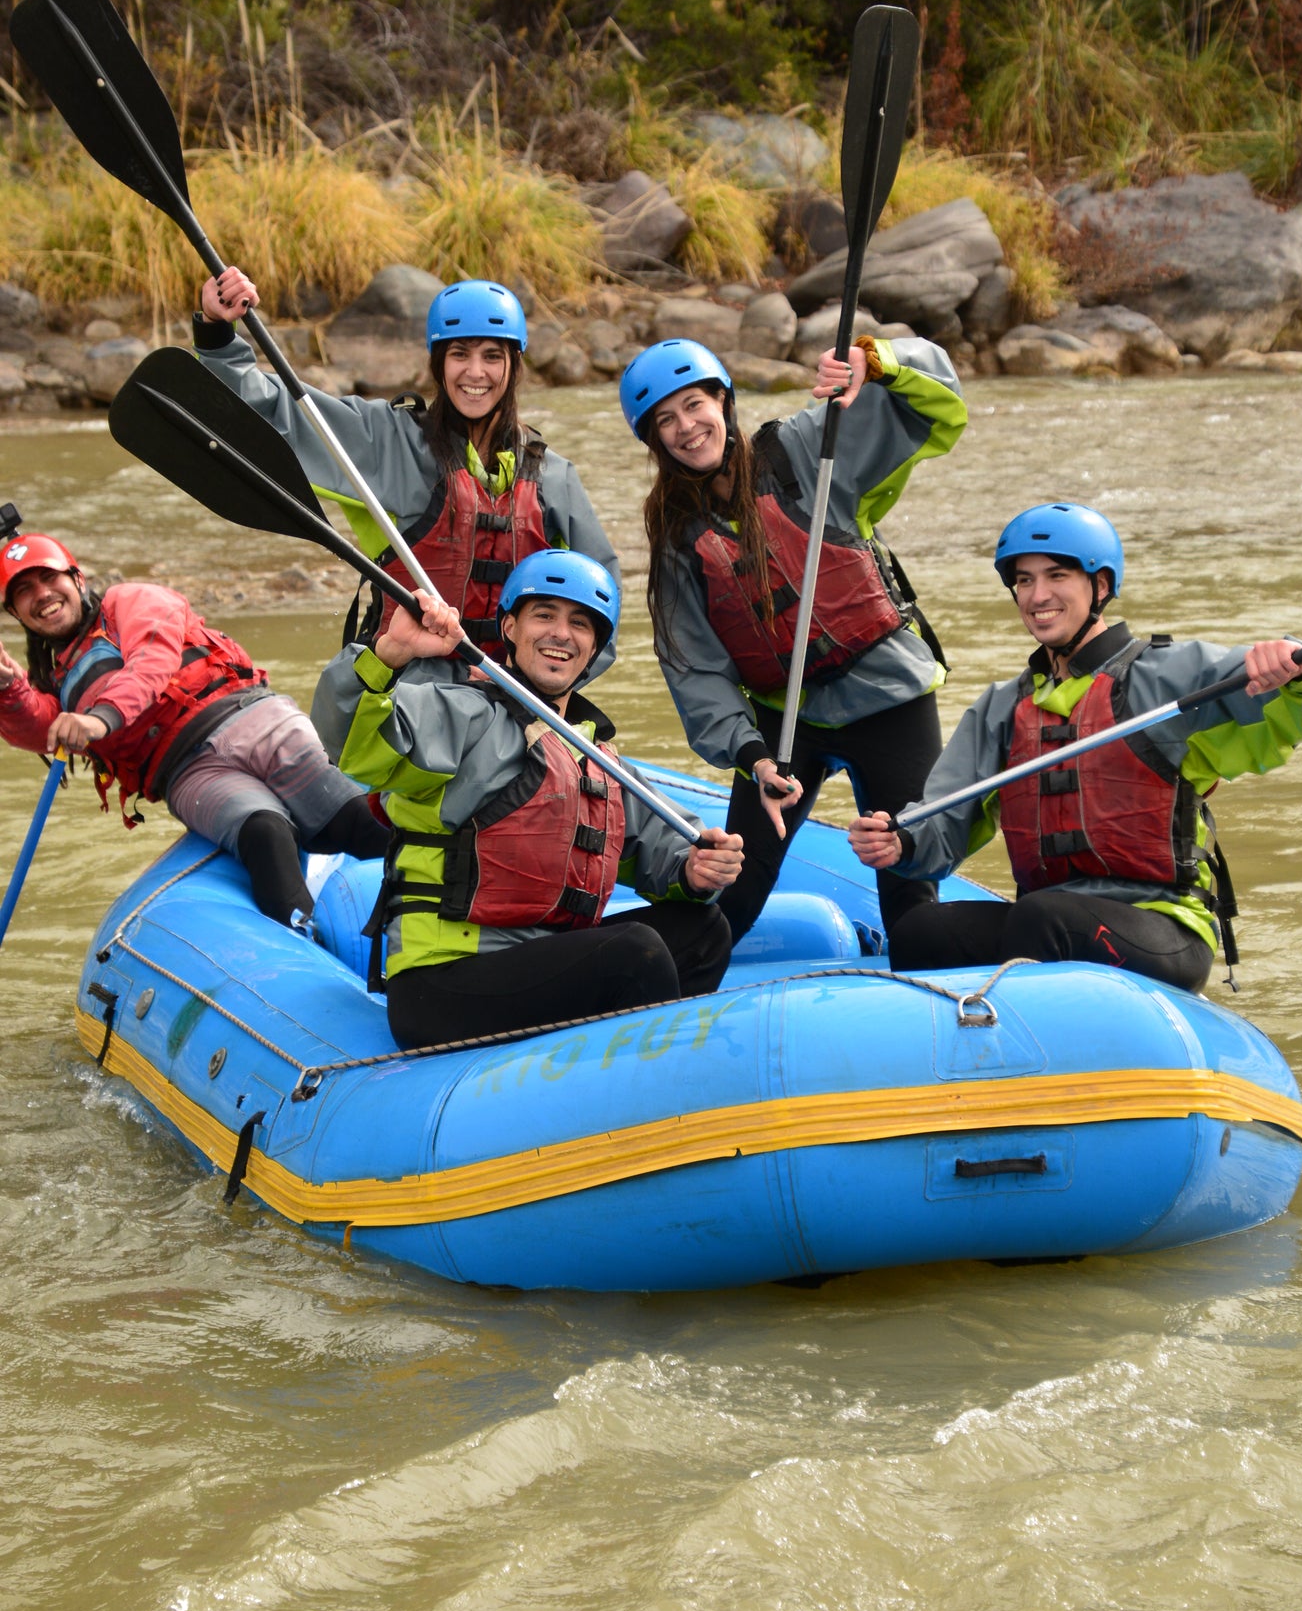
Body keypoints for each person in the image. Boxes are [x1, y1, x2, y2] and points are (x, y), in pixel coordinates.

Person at [847, 501, 1302, 992]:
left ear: (1100, 586)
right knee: (921, 932)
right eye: (1023, 580)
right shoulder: (1002, 707)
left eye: (1057, 576)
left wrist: (1297, 663)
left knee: (1042, 918)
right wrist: (902, 842)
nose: (1037, 595)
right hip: (1050, 920)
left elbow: (1292, 692)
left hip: (1160, 926)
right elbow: (944, 820)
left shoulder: (1166, 676)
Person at [311, 550, 744, 1049]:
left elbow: (665, 856)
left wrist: (696, 871)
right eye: (545, 615)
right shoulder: (465, 715)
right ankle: (649, 1092)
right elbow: (345, 742)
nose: (562, 634)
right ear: (511, 627)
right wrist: (391, 651)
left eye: (581, 624)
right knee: (635, 952)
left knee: (703, 930)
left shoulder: (593, 755)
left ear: (594, 650)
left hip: (543, 965)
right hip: (443, 983)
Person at [620, 330, 967, 950]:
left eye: (695, 405)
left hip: (888, 698)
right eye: (665, 421)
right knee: (734, 896)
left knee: (909, 893)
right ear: (653, 440)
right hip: (785, 726)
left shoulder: (806, 448)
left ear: (723, 403)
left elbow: (938, 405)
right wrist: (751, 756)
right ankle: (653, 991)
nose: (687, 428)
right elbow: (695, 668)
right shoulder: (677, 536)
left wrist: (880, 364)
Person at [195, 267, 620, 662]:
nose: (476, 372)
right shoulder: (390, 440)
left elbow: (602, 602)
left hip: (515, 693)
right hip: (408, 684)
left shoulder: (553, 476)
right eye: (459, 354)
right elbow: (270, 412)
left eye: (492, 356)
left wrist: (557, 679)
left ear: (514, 365)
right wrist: (218, 333)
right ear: (438, 363)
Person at [0, 530, 387, 926]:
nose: (43, 594)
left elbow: (151, 660)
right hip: (187, 772)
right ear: (15, 613)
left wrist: (101, 718)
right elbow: (37, 728)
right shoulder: (56, 681)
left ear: (77, 579)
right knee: (264, 833)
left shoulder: (129, 600)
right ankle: (305, 942)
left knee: (351, 818)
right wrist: (7, 688)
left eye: (50, 578)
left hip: (253, 718)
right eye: (25, 591)